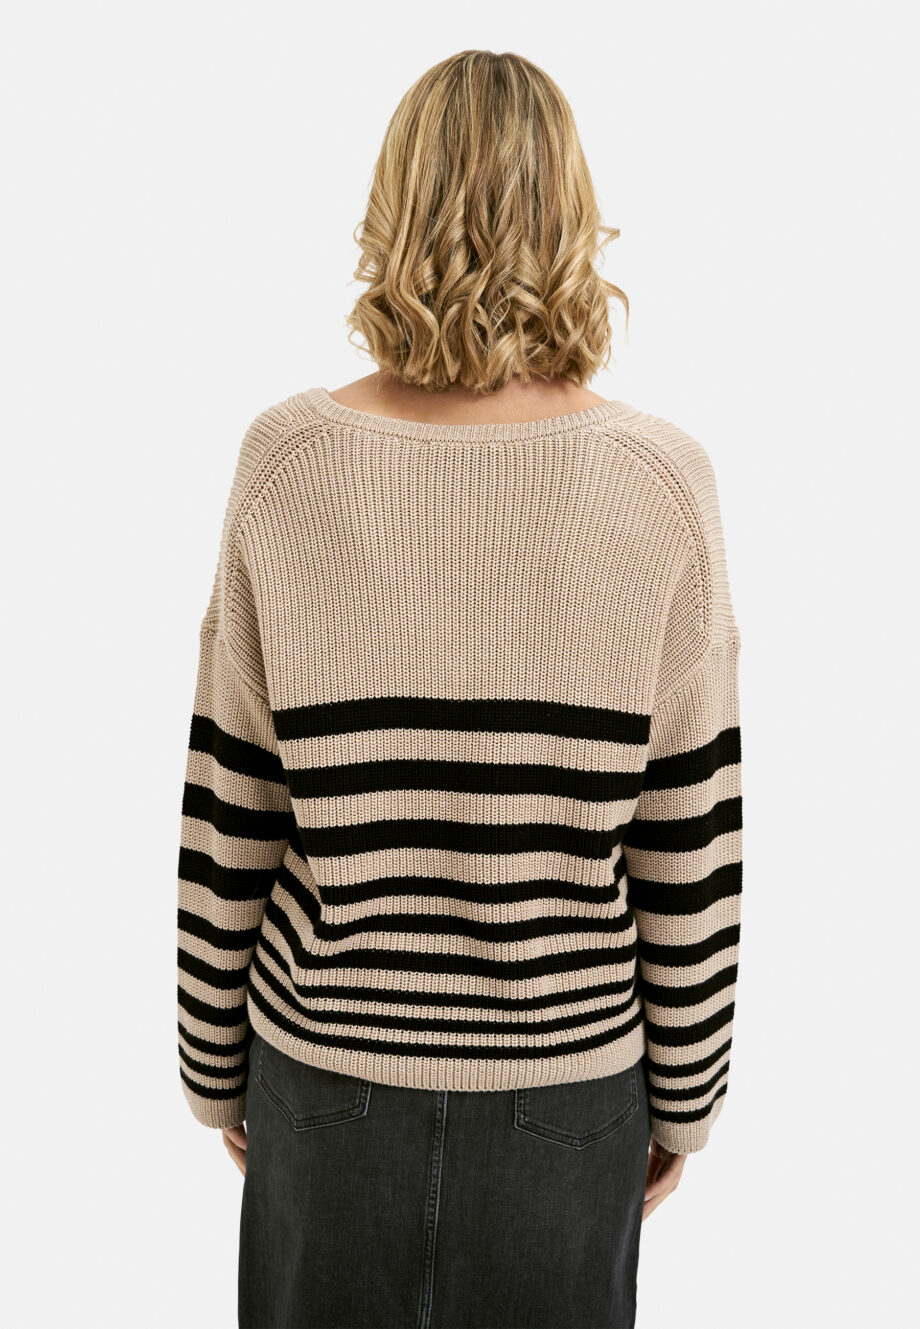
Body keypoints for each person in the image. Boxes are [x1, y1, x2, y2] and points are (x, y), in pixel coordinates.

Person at [176, 48, 743, 1329]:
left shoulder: (288, 460)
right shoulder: (661, 483)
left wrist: (215, 1068)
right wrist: (685, 1098)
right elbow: (689, 838)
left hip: (323, 1076)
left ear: (393, 207)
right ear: (572, 216)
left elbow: (232, 803)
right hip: (568, 1093)